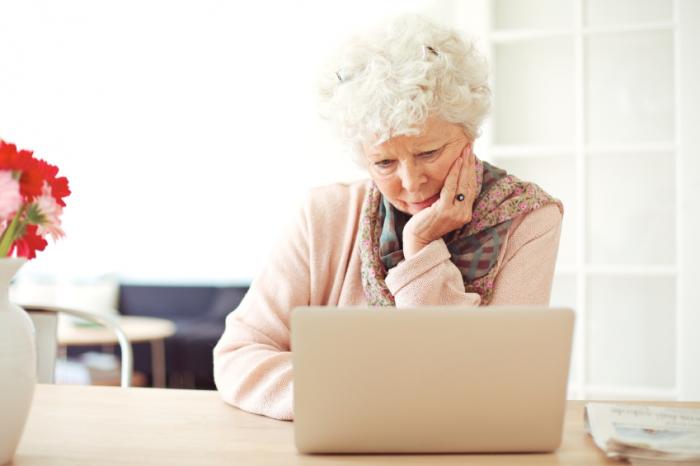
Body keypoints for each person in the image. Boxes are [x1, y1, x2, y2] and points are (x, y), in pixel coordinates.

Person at [213, 15, 563, 421]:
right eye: (383, 162)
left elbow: (499, 382)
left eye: (428, 153)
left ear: (469, 134)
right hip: (345, 438)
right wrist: (357, 400)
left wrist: (421, 251)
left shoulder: (529, 218)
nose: (412, 183)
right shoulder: (324, 214)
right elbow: (239, 356)